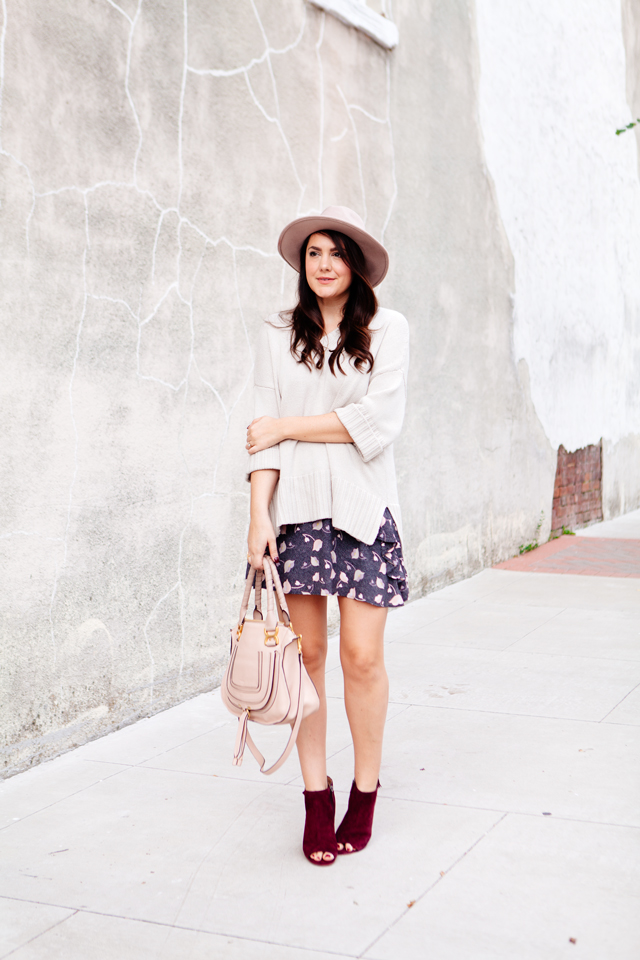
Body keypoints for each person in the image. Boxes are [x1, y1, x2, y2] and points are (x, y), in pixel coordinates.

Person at [245, 206, 409, 865]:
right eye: (313, 252)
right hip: (296, 514)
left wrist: (289, 426)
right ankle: (317, 796)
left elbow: (376, 421)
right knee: (307, 660)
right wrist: (258, 515)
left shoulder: (388, 329)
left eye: (336, 253)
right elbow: (259, 426)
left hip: (365, 511)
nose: (323, 263)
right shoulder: (277, 333)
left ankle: (365, 791)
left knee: (361, 658)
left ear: (357, 265)